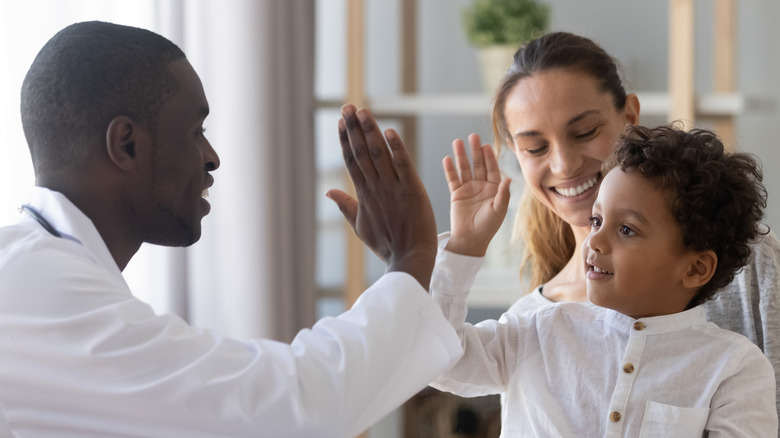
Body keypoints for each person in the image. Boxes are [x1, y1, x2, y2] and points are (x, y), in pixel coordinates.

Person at [0, 21, 463, 437]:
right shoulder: (37, 287)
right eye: (196, 128)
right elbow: (287, 411)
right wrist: (411, 257)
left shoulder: (39, 272)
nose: (211, 157)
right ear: (127, 143)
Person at [442, 31, 780, 423]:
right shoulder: (532, 326)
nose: (564, 165)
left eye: (585, 132)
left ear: (630, 117)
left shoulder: (748, 272)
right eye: (535, 148)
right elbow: (434, 357)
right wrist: (459, 249)